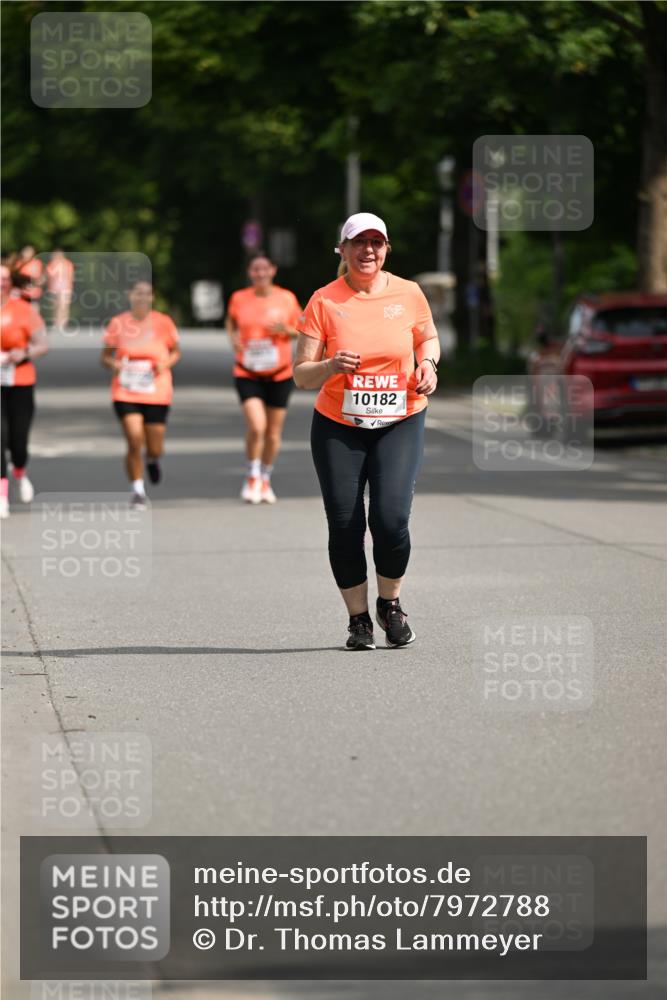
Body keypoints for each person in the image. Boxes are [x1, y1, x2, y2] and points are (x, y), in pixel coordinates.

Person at [294, 213, 440, 650]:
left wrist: (429, 364)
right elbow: (301, 375)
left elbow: (427, 339)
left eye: (377, 243)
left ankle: (389, 604)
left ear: (386, 250)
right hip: (339, 425)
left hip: (400, 417)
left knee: (390, 519)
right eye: (359, 243)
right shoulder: (324, 300)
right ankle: (358, 620)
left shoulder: (409, 293)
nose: (368, 250)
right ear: (343, 250)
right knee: (345, 524)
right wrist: (329, 365)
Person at [226, 253, 302, 504]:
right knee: (257, 426)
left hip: (279, 372)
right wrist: (233, 338)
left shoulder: (286, 298)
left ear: (273, 271)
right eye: (255, 269)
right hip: (247, 371)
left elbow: (303, 329)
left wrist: (285, 330)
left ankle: (266, 477)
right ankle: (252, 475)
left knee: (272, 432)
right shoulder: (239, 298)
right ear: (250, 273)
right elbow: (231, 321)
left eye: (264, 269)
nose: (260, 274)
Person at [100, 280, 181, 510]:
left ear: (152, 297)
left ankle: (153, 459)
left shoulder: (163, 322)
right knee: (134, 440)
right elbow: (105, 356)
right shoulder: (118, 323)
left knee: (155, 446)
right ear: (130, 296)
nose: (142, 297)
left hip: (156, 391)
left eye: (146, 293)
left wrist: (166, 363)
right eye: (138, 293)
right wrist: (113, 364)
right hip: (126, 390)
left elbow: (176, 352)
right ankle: (137, 490)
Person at [0, 264, 49, 518]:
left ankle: (19, 470)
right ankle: (2, 494)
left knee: (18, 441)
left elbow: (43, 344)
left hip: (20, 379)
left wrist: (24, 353)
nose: (2, 283)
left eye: (6, 279)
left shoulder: (24, 310)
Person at [46, 249, 74, 329]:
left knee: (64, 305)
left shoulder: (68, 263)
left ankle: (63, 322)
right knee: (55, 306)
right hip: (54, 288)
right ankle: (56, 322)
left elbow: (71, 276)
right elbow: (49, 274)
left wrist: (70, 287)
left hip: (65, 287)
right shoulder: (52, 264)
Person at [15, 245, 45, 310]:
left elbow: (38, 278)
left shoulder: (36, 263)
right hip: (20, 294)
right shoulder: (18, 263)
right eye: (25, 251)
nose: (25, 253)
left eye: (28, 252)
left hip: (33, 294)